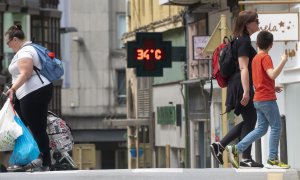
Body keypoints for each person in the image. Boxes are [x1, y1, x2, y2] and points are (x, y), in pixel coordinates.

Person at [227, 30, 290, 169]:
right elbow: (272, 74)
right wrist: (283, 61)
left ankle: (236, 148)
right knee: (276, 126)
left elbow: (259, 80)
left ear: (258, 43)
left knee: (261, 129)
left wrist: (272, 87)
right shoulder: (265, 57)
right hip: (267, 99)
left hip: (258, 99)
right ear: (271, 45)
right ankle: (272, 159)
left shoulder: (255, 59)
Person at [210, 10, 264, 168]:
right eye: (256, 20)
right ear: (248, 24)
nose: (258, 23)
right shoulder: (243, 41)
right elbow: (243, 67)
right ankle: (244, 157)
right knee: (251, 119)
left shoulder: (239, 40)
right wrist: (247, 91)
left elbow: (251, 67)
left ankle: (222, 146)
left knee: (250, 120)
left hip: (238, 84)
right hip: (241, 85)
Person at [4, 24, 53, 171]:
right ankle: (30, 159)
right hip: (30, 92)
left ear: (14, 39)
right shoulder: (25, 50)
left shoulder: (25, 51)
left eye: (8, 43)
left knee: (37, 128)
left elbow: (25, 73)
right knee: (21, 127)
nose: (8, 46)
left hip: (33, 92)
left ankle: (44, 162)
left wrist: (13, 88)